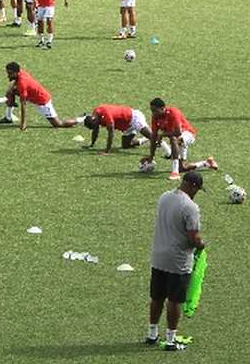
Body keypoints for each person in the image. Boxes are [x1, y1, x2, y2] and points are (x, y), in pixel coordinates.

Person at [147, 171, 206, 351]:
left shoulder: (164, 197)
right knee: (174, 300)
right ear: (193, 186)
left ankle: (151, 334)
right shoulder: (190, 207)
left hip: (158, 256)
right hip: (178, 261)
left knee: (157, 297)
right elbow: (193, 237)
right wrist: (202, 245)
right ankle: (171, 340)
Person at [141, 98, 218, 180]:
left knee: (174, 139)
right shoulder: (155, 117)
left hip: (188, 134)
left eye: (155, 110)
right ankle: (207, 163)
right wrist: (151, 156)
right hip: (178, 139)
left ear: (163, 108)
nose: (153, 113)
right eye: (152, 111)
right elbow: (153, 137)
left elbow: (178, 132)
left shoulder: (173, 112)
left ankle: (175, 173)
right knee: (182, 168)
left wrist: (162, 135)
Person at [0, 62, 78, 129]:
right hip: (34, 97)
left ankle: (82, 119)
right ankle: (8, 117)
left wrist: (23, 123)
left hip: (42, 101)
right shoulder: (20, 73)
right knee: (10, 92)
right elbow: (15, 83)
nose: (8, 75)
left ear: (16, 73)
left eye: (10, 73)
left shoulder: (22, 83)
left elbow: (23, 105)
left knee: (57, 124)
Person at [79, 104, 155, 154]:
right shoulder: (95, 115)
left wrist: (107, 151)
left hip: (134, 118)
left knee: (152, 137)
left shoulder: (106, 114)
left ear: (95, 120)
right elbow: (95, 130)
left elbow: (111, 134)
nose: (97, 127)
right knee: (126, 145)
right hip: (126, 126)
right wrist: (91, 144)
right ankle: (145, 139)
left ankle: (159, 142)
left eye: (96, 125)